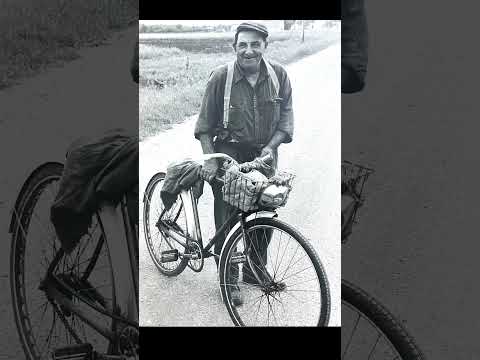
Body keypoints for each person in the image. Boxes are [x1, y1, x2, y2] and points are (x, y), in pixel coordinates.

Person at [194, 22, 294, 305]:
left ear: (265, 46)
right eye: (243, 45)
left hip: (264, 155)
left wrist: (270, 147)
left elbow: (286, 118)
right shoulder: (220, 77)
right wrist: (212, 159)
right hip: (228, 154)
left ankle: (254, 269)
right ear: (234, 47)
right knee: (227, 216)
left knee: (264, 213)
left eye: (255, 44)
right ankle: (229, 278)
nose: (248, 51)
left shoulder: (279, 76)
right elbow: (203, 126)